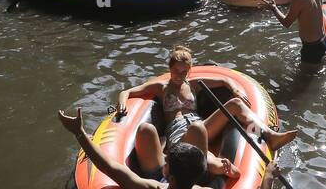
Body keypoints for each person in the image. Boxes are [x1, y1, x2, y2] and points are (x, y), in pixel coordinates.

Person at [58, 106, 281, 189]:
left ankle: (167, 140)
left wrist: (79, 133)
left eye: (167, 163)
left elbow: (109, 167)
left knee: (147, 131)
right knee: (177, 130)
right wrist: (268, 177)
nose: (164, 163)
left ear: (169, 175)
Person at [113, 46, 297, 181]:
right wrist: (122, 105)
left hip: (200, 125)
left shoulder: (194, 84)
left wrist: (236, 90)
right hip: (178, 133)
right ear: (170, 68)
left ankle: (268, 135)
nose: (179, 75)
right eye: (176, 71)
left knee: (235, 104)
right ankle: (216, 166)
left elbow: (224, 80)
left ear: (189, 71)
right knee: (196, 140)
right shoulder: (160, 87)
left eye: (184, 72)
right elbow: (127, 92)